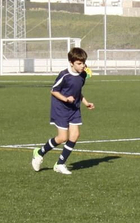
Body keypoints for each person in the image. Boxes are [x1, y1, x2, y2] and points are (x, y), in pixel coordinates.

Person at [32, 47, 94, 175]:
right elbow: (54, 90)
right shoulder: (64, 75)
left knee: (75, 135)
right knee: (62, 137)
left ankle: (60, 164)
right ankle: (39, 152)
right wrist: (66, 99)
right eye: (79, 63)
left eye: (83, 63)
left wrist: (86, 102)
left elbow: (78, 92)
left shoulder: (83, 75)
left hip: (74, 108)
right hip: (61, 108)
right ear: (71, 63)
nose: (82, 66)